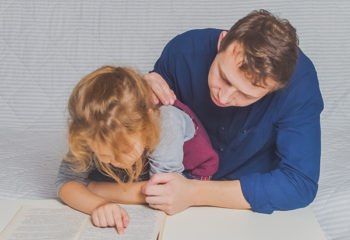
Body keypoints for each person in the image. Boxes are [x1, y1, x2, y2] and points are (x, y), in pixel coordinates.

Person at [141, 9, 324, 214]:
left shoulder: (299, 86)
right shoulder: (183, 51)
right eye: (224, 78)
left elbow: (299, 184)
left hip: (242, 202)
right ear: (222, 42)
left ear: (274, 89)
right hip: (171, 186)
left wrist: (195, 193)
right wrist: (139, 91)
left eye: (246, 95)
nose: (224, 97)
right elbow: (145, 126)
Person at [56, 66, 218, 234]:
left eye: (125, 151)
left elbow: (163, 193)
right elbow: (66, 183)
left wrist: (94, 187)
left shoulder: (166, 123)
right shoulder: (93, 129)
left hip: (184, 176)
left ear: (147, 122)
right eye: (104, 155)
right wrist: (99, 205)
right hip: (137, 179)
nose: (117, 162)